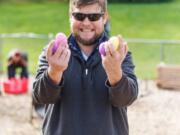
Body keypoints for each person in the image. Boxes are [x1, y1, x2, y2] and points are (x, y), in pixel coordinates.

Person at [33, 0, 138, 134]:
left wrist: (115, 73)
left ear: (104, 17)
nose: (86, 22)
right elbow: (41, 98)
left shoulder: (119, 55)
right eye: (79, 16)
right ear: (70, 16)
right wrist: (54, 71)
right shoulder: (53, 53)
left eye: (94, 16)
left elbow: (126, 99)